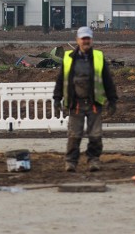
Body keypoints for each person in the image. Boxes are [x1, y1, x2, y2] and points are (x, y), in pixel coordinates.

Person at [53, 26, 118, 172]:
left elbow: (108, 81)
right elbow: (60, 80)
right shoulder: (69, 58)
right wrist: (57, 99)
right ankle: (71, 162)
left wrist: (112, 100)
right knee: (74, 135)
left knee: (95, 135)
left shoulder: (99, 58)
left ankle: (93, 160)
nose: (86, 41)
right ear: (78, 40)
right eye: (83, 39)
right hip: (76, 104)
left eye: (88, 38)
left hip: (94, 103)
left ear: (91, 40)